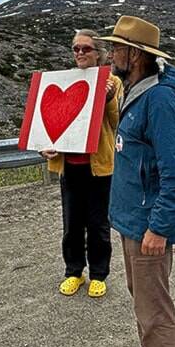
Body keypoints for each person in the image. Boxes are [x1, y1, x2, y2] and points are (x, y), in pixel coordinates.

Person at [100, 15, 175, 347]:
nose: (111, 54)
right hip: (131, 220)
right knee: (141, 298)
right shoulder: (134, 90)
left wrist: (159, 227)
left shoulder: (160, 100)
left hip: (147, 226)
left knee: (154, 305)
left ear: (135, 54)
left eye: (117, 48)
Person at [40, 30, 123, 298]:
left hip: (99, 166)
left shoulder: (113, 82)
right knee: (71, 223)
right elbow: (55, 121)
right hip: (71, 166)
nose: (79, 53)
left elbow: (117, 122)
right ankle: (74, 271)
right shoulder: (65, 81)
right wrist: (48, 144)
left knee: (99, 223)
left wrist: (109, 99)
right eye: (75, 48)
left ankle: (99, 273)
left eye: (85, 49)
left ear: (98, 53)